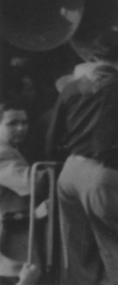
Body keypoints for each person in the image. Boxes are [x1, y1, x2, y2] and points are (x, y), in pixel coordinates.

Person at [46, 29, 118, 285]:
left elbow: (53, 138)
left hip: (70, 174)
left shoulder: (72, 89)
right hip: (104, 176)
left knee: (77, 252)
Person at [0, 102, 38, 284]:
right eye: (12, 123)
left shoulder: (12, 150)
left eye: (24, 122)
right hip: (8, 245)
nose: (21, 128)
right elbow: (32, 184)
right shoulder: (3, 154)